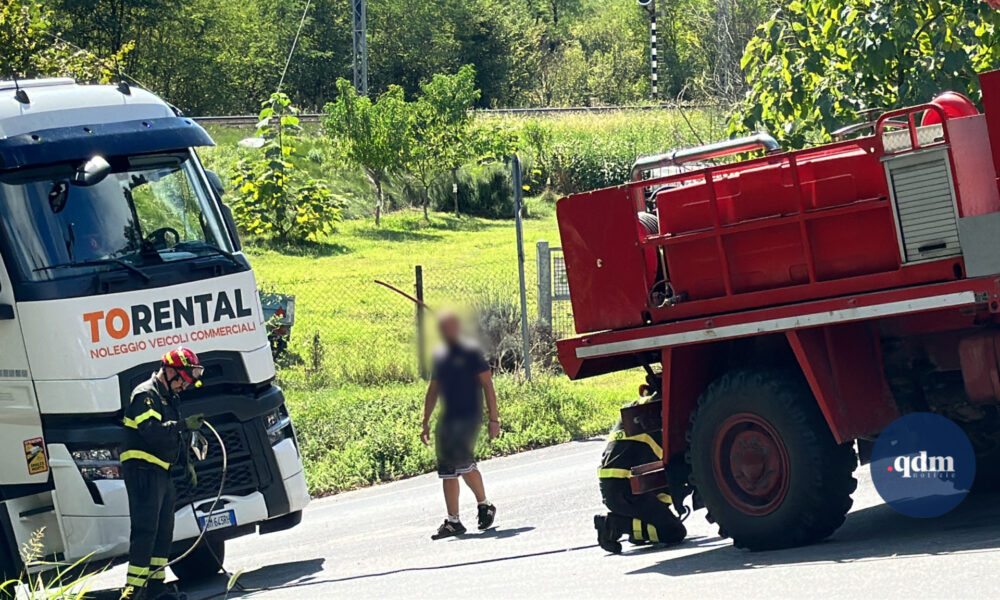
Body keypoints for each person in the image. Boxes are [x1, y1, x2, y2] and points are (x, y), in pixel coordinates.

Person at [120, 347, 205, 600]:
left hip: (161, 471)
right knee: (146, 530)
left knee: (163, 531)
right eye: (182, 379)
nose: (183, 386)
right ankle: (134, 591)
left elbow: (174, 438)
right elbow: (153, 432)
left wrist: (186, 463)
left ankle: (156, 587)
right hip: (143, 469)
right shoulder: (145, 395)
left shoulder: (170, 398)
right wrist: (183, 424)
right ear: (168, 370)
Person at [421, 312, 500, 539]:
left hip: (469, 417)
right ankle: (462, 516)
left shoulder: (472, 354)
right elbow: (433, 389)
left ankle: (476, 509)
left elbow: (488, 386)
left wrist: (494, 419)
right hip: (448, 418)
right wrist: (425, 422)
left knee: (460, 463)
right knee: (451, 469)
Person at [594, 393, 686, 554]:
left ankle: (636, 527)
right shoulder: (659, 415)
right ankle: (613, 524)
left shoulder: (643, 407)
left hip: (619, 486)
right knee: (674, 532)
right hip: (626, 489)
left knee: (657, 520)